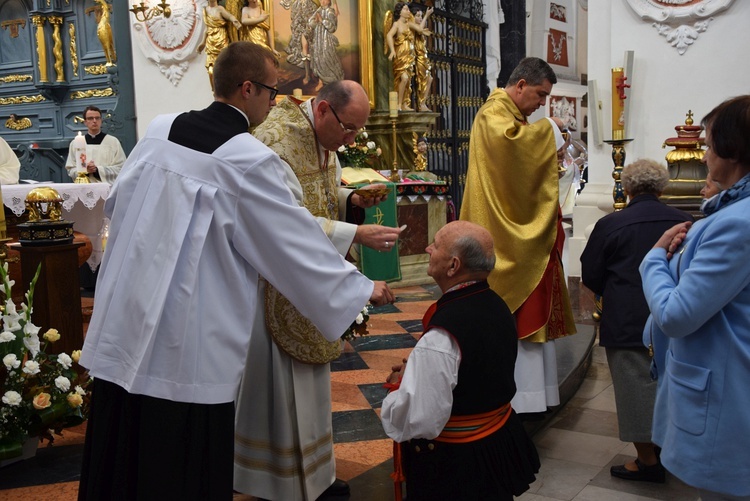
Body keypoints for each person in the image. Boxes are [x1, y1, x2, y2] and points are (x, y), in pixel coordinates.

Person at [77, 42, 393, 501]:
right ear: (247, 89)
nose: (274, 100)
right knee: (181, 456)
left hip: (126, 316)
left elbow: (120, 207)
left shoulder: (158, 132)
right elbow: (291, 244)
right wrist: (360, 287)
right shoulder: (248, 161)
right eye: (271, 90)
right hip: (187, 335)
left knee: (122, 445)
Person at [233, 79, 402, 501]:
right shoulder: (274, 141)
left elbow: (316, 194)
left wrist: (350, 199)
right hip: (274, 289)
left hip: (306, 285)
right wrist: (355, 233)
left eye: (357, 132)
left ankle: (315, 474)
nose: (351, 139)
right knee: (278, 391)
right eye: (348, 129)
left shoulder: (322, 133)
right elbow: (284, 224)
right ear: (323, 109)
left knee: (309, 393)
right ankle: (276, 480)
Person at [381, 220, 540, 501]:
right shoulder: (496, 303)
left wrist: (399, 387)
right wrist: (419, 370)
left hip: (456, 465)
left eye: (436, 245)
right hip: (494, 445)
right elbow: (475, 369)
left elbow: (419, 420)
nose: (428, 248)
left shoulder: (443, 335)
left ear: (453, 266)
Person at [641, 95, 750, 501]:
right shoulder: (730, 214)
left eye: (707, 144)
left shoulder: (736, 223)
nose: (703, 155)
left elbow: (676, 314)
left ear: (731, 149)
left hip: (727, 391)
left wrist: (653, 260)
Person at [460, 57, 576, 415]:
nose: (542, 103)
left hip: (512, 229)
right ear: (521, 84)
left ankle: (532, 396)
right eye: (540, 94)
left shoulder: (515, 117)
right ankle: (519, 399)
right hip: (504, 238)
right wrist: (551, 131)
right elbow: (514, 148)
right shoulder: (493, 114)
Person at [580, 159, 692, 483]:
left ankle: (647, 460)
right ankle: (670, 452)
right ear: (662, 187)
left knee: (635, 391)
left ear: (626, 188)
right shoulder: (685, 221)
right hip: (675, 317)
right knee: (672, 387)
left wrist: (612, 294)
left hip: (626, 320)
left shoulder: (611, 225)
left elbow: (591, 273)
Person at [64, 105, 125, 184]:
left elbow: (121, 168)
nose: (94, 121)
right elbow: (71, 169)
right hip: (84, 188)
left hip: (107, 189)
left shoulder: (113, 142)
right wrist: (85, 170)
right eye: (90, 118)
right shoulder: (75, 143)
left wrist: (97, 170)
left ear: (101, 120)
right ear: (85, 122)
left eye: (97, 118)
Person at [197, 0, 242, 88]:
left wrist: (235, 21)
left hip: (221, 39)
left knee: (224, 66)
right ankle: (215, 89)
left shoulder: (220, 9)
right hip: (211, 42)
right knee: (211, 69)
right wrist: (202, 43)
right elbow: (206, 29)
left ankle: (226, 88)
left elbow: (229, 16)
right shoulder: (205, 10)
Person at [385, 2, 421, 111]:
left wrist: (426, 17)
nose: (408, 12)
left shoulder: (408, 24)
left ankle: (405, 103)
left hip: (409, 57)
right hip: (400, 56)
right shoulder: (396, 24)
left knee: (408, 80)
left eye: (408, 10)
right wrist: (392, 50)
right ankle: (398, 104)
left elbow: (419, 29)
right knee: (403, 79)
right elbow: (389, 35)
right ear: (400, 12)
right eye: (406, 9)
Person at [307, 0, 344, 91]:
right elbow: (310, 22)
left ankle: (333, 81)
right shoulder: (318, 10)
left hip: (326, 40)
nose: (323, 1)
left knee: (327, 58)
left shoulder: (330, 12)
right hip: (317, 39)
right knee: (318, 58)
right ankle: (321, 81)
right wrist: (315, 21)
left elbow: (333, 27)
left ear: (329, 1)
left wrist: (322, 20)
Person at [410, 5, 434, 111]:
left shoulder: (420, 28)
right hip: (418, 59)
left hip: (423, 58)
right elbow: (419, 30)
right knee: (422, 80)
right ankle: (421, 104)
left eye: (421, 16)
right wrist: (427, 15)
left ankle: (422, 102)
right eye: (418, 16)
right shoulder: (412, 27)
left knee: (429, 78)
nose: (420, 18)